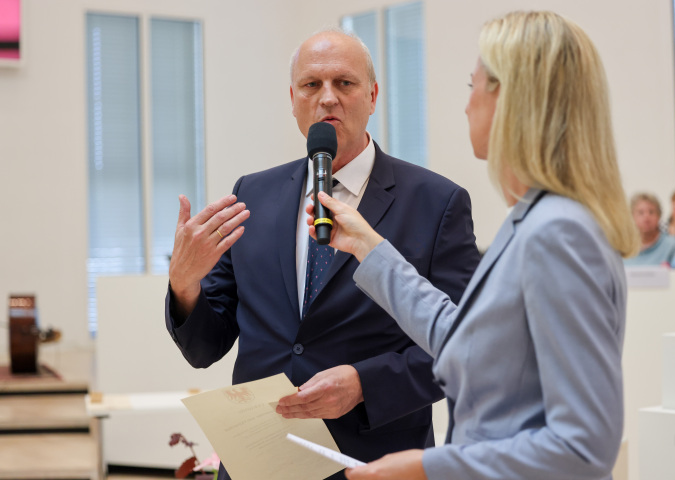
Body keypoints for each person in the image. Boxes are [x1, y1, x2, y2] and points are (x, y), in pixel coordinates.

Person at [306, 11, 639, 480]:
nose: (466, 106)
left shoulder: (558, 233)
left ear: (510, 97)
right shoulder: (534, 220)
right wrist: (369, 247)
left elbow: (582, 448)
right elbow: (465, 341)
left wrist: (429, 466)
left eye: (472, 87)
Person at [164, 29, 481, 480]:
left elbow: (467, 347)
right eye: (312, 85)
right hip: (259, 461)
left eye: (344, 83)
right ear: (292, 99)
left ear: (372, 96)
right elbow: (206, 347)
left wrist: (365, 384)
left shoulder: (436, 202)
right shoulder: (253, 193)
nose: (327, 97)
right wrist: (184, 285)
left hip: (372, 461)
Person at [624, 192, 675, 266]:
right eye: (641, 213)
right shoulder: (624, 247)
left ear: (659, 216)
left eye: (651, 212)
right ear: (632, 217)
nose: (646, 217)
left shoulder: (672, 245)